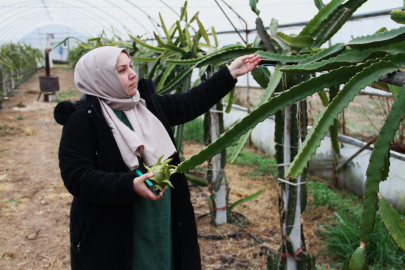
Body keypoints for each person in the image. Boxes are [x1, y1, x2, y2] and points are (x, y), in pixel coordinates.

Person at [54, 46, 260, 270]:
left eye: (131, 66)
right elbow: (78, 178)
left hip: (163, 217)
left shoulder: (147, 105)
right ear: (100, 78)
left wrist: (230, 73)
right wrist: (129, 185)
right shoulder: (82, 121)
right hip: (116, 229)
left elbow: (191, 101)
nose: (133, 74)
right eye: (121, 70)